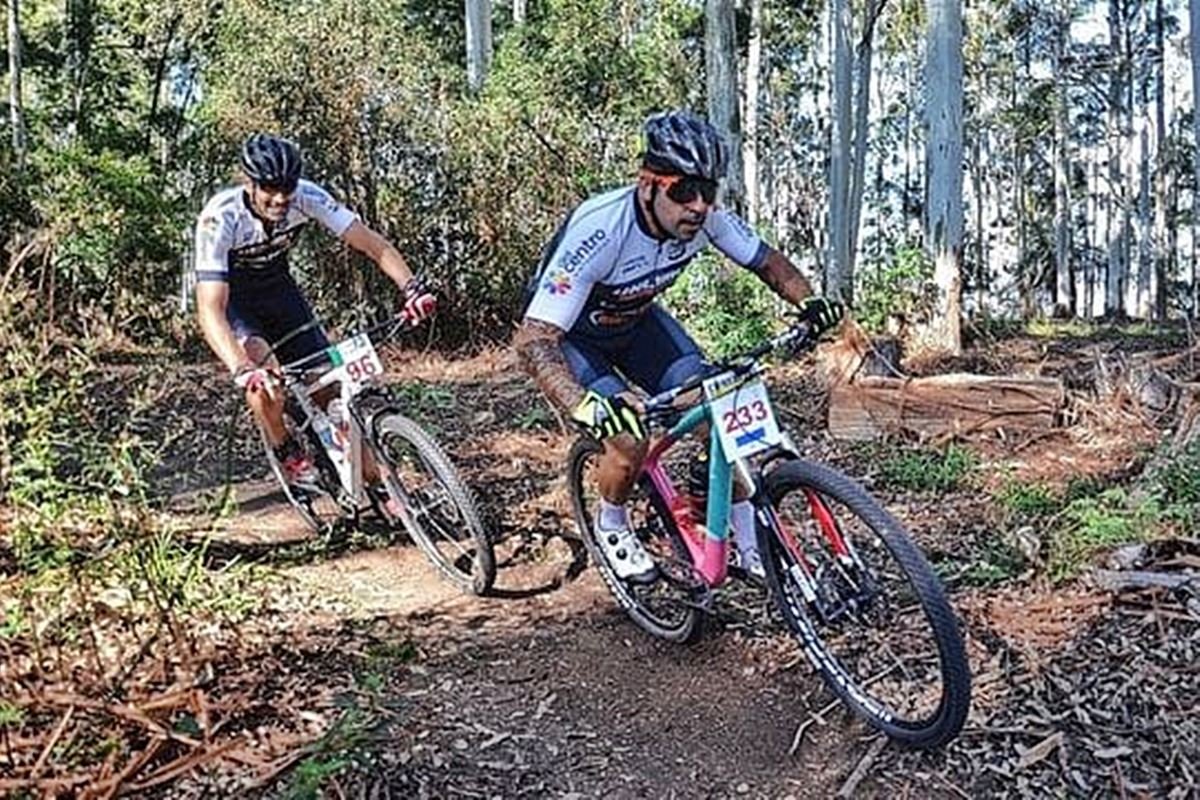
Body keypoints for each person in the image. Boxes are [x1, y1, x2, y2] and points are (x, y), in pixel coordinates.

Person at [514, 110, 844, 583]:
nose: (698, 205)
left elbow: (768, 262)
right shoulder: (601, 230)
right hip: (573, 338)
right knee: (627, 440)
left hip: (637, 324)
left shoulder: (707, 220)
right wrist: (582, 404)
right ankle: (611, 523)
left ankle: (745, 538)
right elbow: (535, 340)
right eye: (683, 191)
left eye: (708, 191)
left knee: (720, 404)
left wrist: (810, 302)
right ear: (648, 184)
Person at [193, 133, 436, 488]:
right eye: (270, 188)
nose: (280, 198)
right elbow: (210, 307)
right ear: (250, 183)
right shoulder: (220, 217)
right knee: (267, 385)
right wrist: (241, 367)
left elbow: (372, 244)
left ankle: (374, 482)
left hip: (280, 292)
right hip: (236, 301)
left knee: (329, 388)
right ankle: (284, 445)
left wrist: (412, 288)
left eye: (286, 187)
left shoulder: (307, 196)